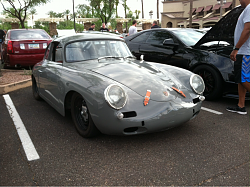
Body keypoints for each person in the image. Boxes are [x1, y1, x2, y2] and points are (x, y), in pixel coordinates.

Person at [227, 0, 250, 115]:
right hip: (243, 51)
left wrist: (236, 49)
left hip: (245, 52)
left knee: (243, 79)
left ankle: (241, 106)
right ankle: (241, 106)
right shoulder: (245, 10)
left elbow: (247, 30)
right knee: (241, 80)